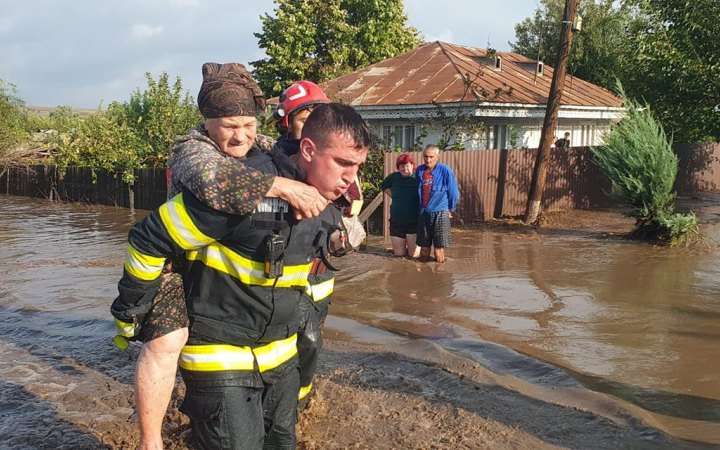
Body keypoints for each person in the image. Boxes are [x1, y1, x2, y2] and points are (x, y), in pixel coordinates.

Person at [112, 102, 371, 449]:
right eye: (343, 163)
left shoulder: (327, 198)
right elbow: (149, 237)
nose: (351, 179)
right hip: (220, 354)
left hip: (279, 356)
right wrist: (132, 310)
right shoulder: (243, 192)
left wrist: (340, 239)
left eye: (357, 167)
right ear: (308, 150)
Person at [416, 145, 460, 264]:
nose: (428, 160)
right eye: (426, 156)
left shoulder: (445, 170)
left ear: (437, 157)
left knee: (438, 249)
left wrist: (451, 209)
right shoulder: (419, 170)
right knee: (423, 248)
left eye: (431, 157)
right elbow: (418, 191)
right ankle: (422, 275)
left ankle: (439, 276)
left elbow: (453, 192)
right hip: (424, 213)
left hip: (440, 213)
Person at [380, 153, 420, 257]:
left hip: (414, 222)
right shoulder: (393, 177)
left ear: (412, 165)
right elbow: (384, 186)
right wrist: (395, 196)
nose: (404, 168)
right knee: (399, 256)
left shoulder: (418, 177)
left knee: (414, 256)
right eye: (401, 166)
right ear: (398, 167)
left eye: (407, 165)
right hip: (396, 222)